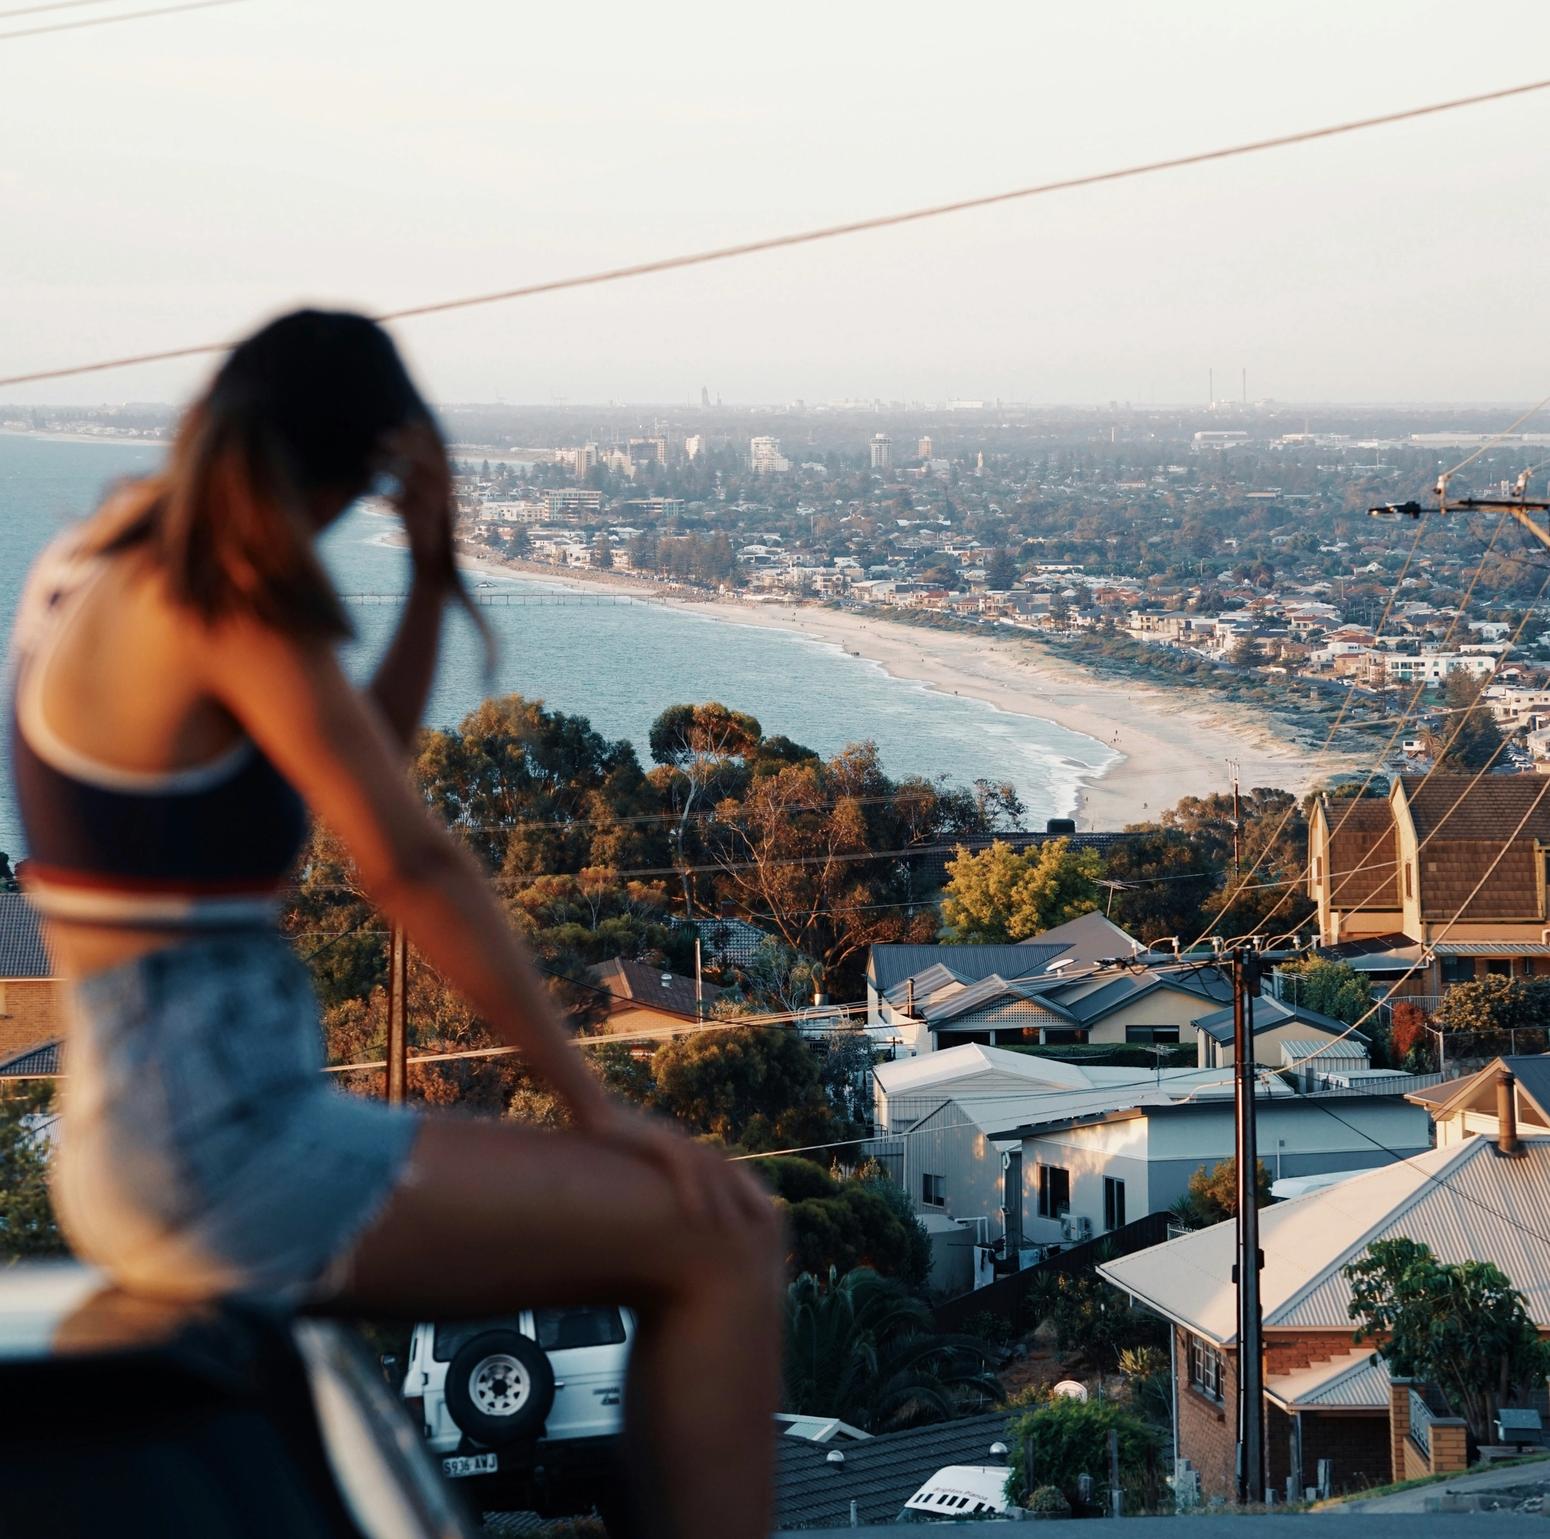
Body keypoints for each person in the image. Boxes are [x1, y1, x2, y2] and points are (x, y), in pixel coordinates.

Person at [7, 311, 781, 1539]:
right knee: (724, 1241)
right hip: (227, 1154)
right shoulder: (219, 600)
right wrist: (599, 1111)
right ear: (344, 468)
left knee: (703, 1239)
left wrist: (427, 575)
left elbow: (362, 766)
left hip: (138, 1144)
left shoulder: (93, 563)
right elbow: (409, 859)